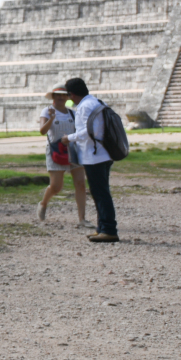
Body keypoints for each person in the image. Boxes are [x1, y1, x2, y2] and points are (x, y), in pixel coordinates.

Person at [64, 77, 118, 243]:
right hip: (102, 153)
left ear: (71, 94)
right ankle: (102, 227)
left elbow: (88, 131)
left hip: (95, 155)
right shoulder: (96, 102)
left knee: (101, 193)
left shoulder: (85, 106)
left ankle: (108, 229)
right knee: (99, 192)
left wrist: (69, 138)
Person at [37, 86, 89, 224]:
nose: (60, 98)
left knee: (80, 184)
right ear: (53, 97)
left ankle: (82, 218)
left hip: (73, 149)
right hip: (56, 150)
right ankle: (44, 203)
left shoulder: (73, 113)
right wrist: (51, 118)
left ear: (68, 97)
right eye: (57, 95)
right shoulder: (47, 111)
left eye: (63, 95)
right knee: (56, 186)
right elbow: (42, 131)